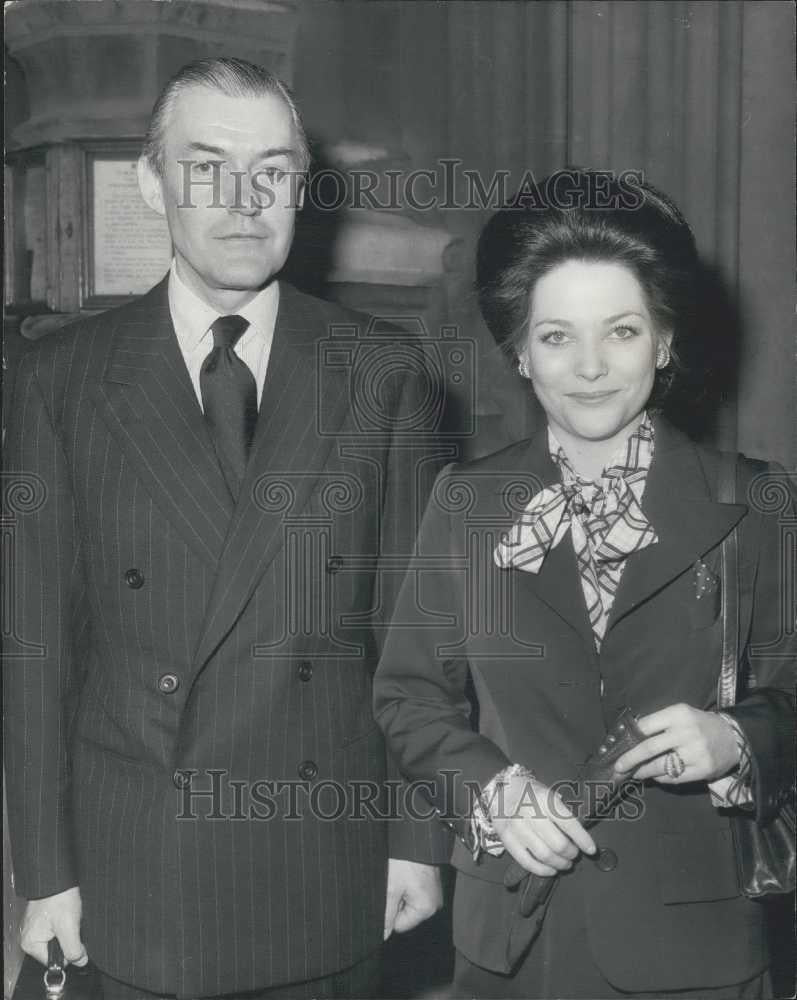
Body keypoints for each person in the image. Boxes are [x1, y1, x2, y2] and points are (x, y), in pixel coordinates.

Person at [4, 57, 449, 1000]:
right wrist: (44, 873)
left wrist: (416, 842)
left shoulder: (383, 371)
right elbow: (34, 651)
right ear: (152, 181)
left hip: (322, 859)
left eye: (274, 172)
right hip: (136, 864)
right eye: (208, 168)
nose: (245, 201)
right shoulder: (60, 379)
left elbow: (419, 636)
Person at [373, 172, 796, 998]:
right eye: (557, 336)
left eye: (623, 331)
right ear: (520, 352)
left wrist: (737, 741)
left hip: (692, 948)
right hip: (513, 942)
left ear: (664, 341)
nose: (591, 367)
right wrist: (490, 789)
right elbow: (409, 695)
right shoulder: (467, 501)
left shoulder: (751, 499)